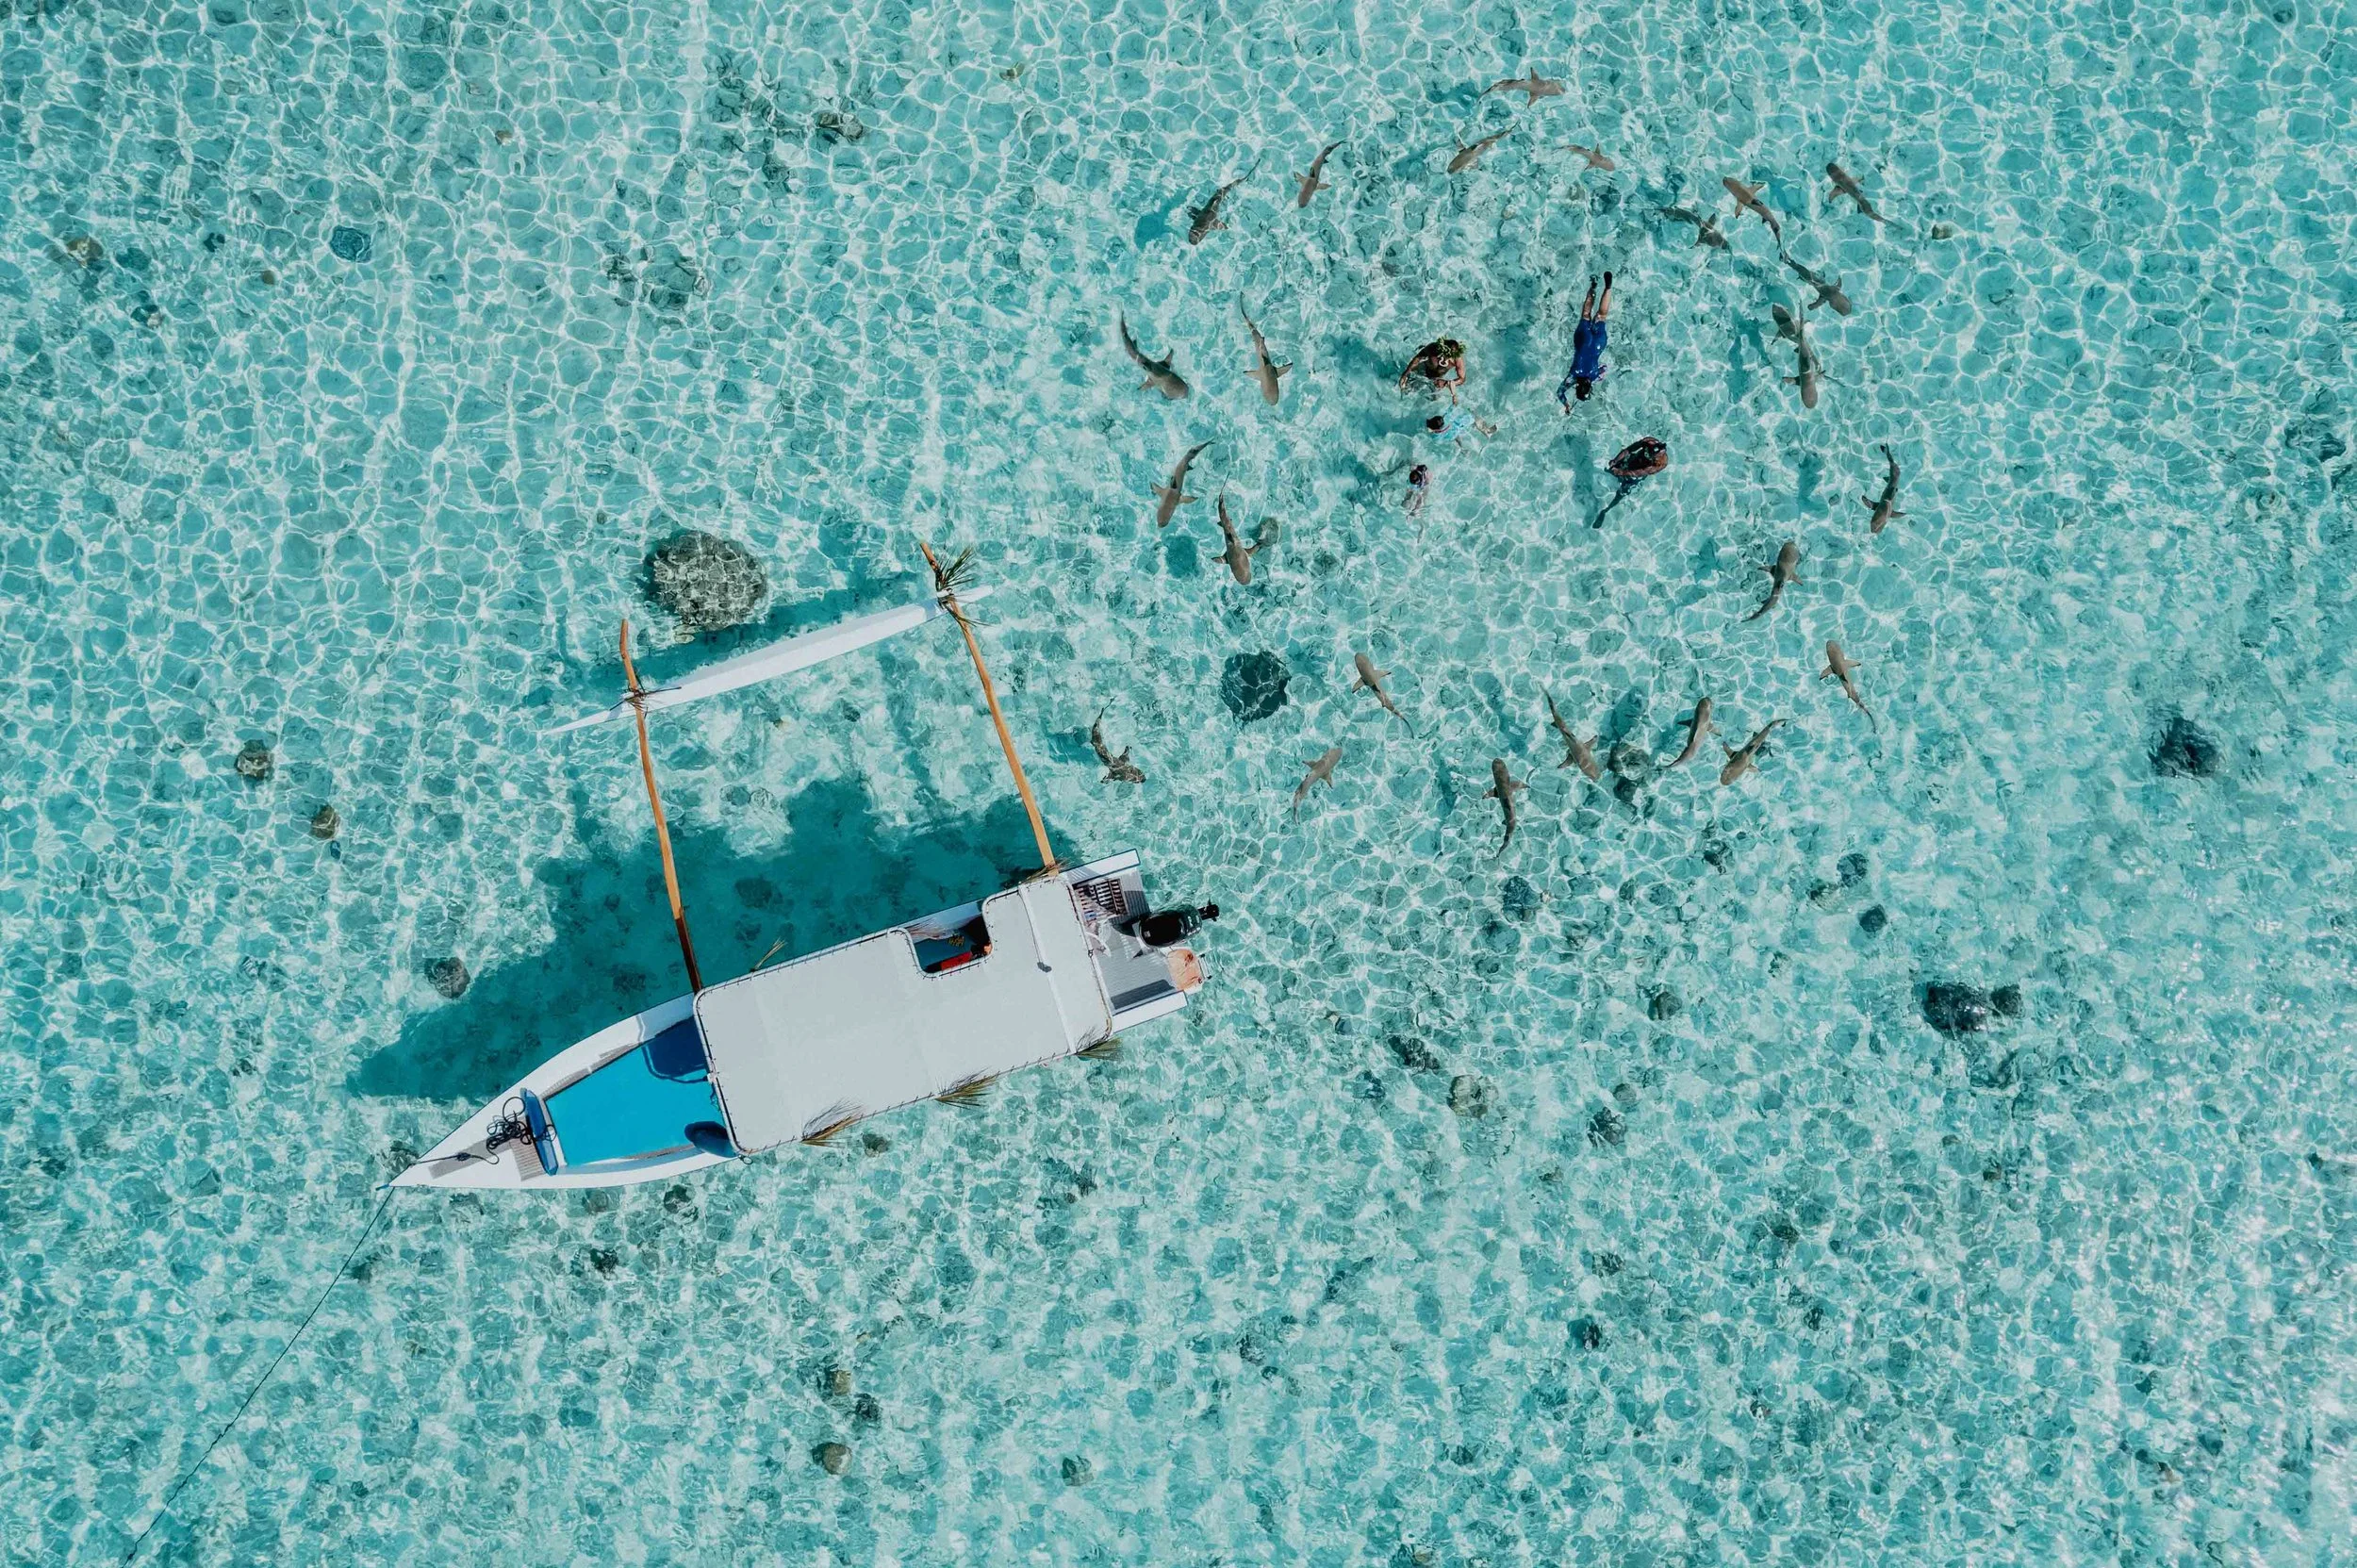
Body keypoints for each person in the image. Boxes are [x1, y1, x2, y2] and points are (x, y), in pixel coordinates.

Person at [1558, 272, 1612, 408]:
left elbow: (1604, 368)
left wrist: (1598, 374)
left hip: (1598, 345)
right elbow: (1560, 393)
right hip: (1583, 342)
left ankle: (1608, 288)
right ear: (1577, 387)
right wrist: (1566, 405)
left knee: (1602, 315)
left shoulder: (1595, 376)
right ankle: (1593, 287)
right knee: (1586, 314)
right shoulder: (1573, 375)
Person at [1398, 338, 1466, 400]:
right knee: (1405, 390)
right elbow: (1417, 358)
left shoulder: (1457, 359)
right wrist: (1405, 374)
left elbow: (1462, 378)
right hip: (1423, 370)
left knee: (1435, 399)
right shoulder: (1433, 348)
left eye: (1449, 356)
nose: (1446, 358)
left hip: (1436, 379)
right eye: (1444, 354)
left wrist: (1445, 383)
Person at [1134, 902, 1218, 949]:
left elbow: (1165, 911)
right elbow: (1180, 941)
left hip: (1143, 927)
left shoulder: (1189, 908)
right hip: (1150, 942)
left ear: (1205, 906)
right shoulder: (1198, 928)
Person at [1425, 409, 1496, 444]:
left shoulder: (1429, 424)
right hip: (1450, 432)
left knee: (1455, 435)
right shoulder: (1438, 432)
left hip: (1447, 435)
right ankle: (1487, 431)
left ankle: (1486, 431)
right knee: (1472, 416)